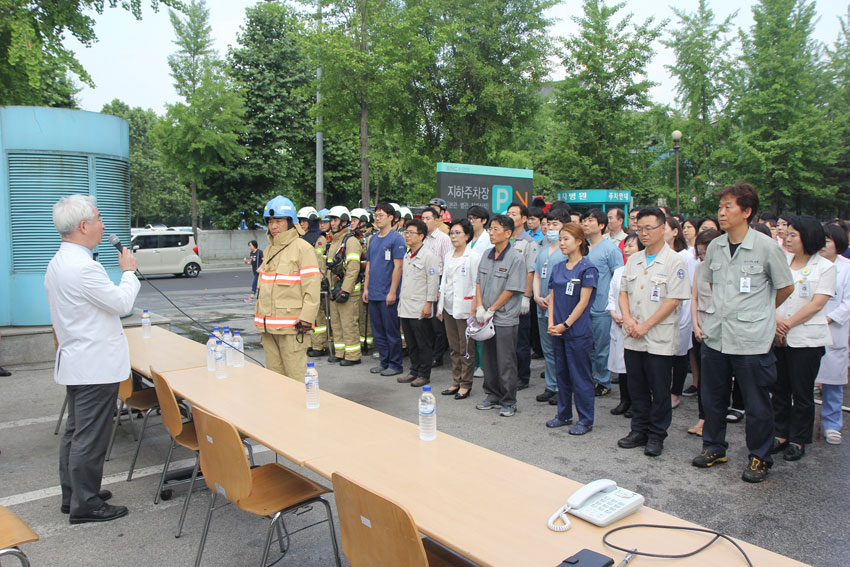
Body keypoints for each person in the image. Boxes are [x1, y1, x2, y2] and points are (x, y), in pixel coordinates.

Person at [44, 194, 139, 524]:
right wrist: (128, 271)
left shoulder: (60, 260)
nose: (103, 225)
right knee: (90, 436)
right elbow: (122, 303)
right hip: (94, 365)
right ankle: (86, 504)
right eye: (98, 219)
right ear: (84, 226)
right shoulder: (83, 267)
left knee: (76, 432)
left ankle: (75, 494)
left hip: (78, 360)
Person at [692, 182, 794, 483]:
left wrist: (762, 311)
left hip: (751, 339)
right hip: (717, 335)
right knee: (712, 398)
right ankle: (714, 447)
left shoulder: (766, 248)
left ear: (747, 211)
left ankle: (759, 457)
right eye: (720, 207)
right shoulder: (715, 247)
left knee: (757, 403)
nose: (721, 213)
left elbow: (785, 286)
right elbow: (710, 283)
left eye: (728, 207)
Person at [617, 207, 691, 457]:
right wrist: (627, 319)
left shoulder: (674, 261)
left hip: (658, 336)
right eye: (640, 229)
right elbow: (623, 291)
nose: (644, 233)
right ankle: (638, 429)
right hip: (632, 334)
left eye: (650, 228)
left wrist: (645, 325)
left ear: (663, 229)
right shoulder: (635, 259)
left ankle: (657, 435)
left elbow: (674, 300)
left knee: (660, 389)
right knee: (636, 386)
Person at [772, 215, 835, 461]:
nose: (786, 239)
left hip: (806, 339)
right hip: (778, 335)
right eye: (786, 235)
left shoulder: (825, 267)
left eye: (793, 235)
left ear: (807, 238)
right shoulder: (782, 261)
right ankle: (780, 433)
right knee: (779, 388)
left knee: (802, 392)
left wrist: (787, 323)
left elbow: (818, 303)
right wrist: (777, 321)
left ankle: (798, 438)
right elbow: (770, 292)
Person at [255, 196, 321, 379]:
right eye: (270, 222)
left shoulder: (303, 248)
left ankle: (301, 409)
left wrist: (306, 320)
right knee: (275, 380)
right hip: (269, 329)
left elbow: (312, 288)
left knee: (296, 379)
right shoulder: (268, 251)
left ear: (290, 222)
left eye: (278, 221)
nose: (274, 226)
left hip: (293, 329)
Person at [546, 223, 598, 435]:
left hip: (577, 332)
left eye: (566, 239)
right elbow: (553, 296)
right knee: (562, 374)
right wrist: (551, 322)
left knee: (580, 376)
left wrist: (565, 324)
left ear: (579, 241)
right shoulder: (558, 267)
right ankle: (563, 414)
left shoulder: (588, 268)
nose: (562, 243)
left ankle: (585, 419)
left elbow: (583, 302)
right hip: (557, 330)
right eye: (560, 239)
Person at [473, 214, 527, 417]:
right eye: (490, 229)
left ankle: (508, 400)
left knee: (505, 360)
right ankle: (492, 395)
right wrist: (479, 307)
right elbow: (478, 281)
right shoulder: (487, 253)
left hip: (504, 317)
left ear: (508, 233)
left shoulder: (516, 258)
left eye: (496, 229)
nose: (491, 233)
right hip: (485, 317)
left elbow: (511, 289)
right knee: (489, 359)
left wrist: (492, 309)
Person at [581, 208, 624, 397]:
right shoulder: (582, 248)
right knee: (586, 347)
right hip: (583, 306)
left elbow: (619, 278)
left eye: (590, 220)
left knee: (601, 348)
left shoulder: (610, 249)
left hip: (601, 307)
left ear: (601, 225)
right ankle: (588, 378)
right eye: (584, 220)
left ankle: (603, 381)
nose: (585, 223)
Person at [437, 219, 481, 399]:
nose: (454, 236)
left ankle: (466, 384)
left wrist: (473, 308)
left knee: (466, 348)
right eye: (452, 233)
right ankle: (456, 381)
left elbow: (476, 284)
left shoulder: (474, 257)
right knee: (454, 347)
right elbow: (444, 283)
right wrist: (440, 307)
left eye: (458, 233)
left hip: (465, 308)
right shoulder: (448, 255)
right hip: (449, 307)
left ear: (467, 235)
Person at [364, 203, 407, 377]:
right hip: (374, 292)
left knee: (391, 331)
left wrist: (392, 291)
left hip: (388, 294)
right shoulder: (373, 239)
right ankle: (384, 361)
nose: (377, 218)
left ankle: (395, 364)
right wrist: (366, 288)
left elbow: (398, 267)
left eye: (381, 215)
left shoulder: (396, 239)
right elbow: (369, 265)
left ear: (391, 217)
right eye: (376, 215)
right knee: (378, 331)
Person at [816, 224, 850, 445]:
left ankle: (832, 423)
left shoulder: (846, 268)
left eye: (827, 240)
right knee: (803, 381)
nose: (822, 245)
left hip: (833, 328)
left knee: (833, 383)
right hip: (809, 328)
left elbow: (848, 302)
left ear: (837, 243)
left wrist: (828, 319)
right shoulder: (812, 264)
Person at [532, 210, 569, 404]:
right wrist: (537, 296)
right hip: (542, 306)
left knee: (559, 349)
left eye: (555, 224)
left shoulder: (566, 251)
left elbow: (563, 280)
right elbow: (537, 274)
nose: (550, 228)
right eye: (549, 224)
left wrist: (549, 297)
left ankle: (562, 387)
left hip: (558, 307)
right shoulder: (543, 249)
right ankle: (551, 385)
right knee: (548, 350)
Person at [397, 219, 440, 387]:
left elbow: (432, 282)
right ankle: (413, 370)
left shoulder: (429, 256)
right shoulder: (407, 254)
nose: (407, 236)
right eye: (406, 232)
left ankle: (424, 374)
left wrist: (429, 304)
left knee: (423, 343)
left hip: (420, 306)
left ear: (421, 236)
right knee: (411, 342)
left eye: (411, 233)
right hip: (406, 306)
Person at [688, 228, 722, 436]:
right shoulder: (700, 268)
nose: (703, 257)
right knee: (702, 377)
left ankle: (715, 419)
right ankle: (702, 417)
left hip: (719, 327)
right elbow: (694, 298)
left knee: (717, 379)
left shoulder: (726, 269)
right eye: (700, 253)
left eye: (706, 253)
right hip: (701, 324)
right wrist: (695, 325)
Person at [607, 233, 643, 417]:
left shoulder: (644, 270)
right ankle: (624, 400)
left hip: (636, 325)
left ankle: (637, 403)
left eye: (631, 246)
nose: (626, 249)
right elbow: (612, 296)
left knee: (635, 368)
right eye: (625, 246)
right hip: (619, 324)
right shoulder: (619, 271)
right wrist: (614, 314)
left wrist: (629, 318)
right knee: (622, 367)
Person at [506, 202, 540, 390]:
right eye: (508, 213)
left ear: (524, 219)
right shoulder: (505, 239)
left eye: (514, 214)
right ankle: (509, 373)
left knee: (520, 340)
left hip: (520, 298)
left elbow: (530, 271)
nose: (510, 216)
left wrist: (527, 296)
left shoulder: (529, 243)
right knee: (507, 340)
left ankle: (522, 376)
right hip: (504, 298)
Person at [663, 217, 695, 410]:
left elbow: (691, 288)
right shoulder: (658, 255)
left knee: (680, 354)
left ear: (675, 232)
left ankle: (675, 392)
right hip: (660, 311)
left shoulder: (687, 257)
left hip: (682, 310)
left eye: (664, 228)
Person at [326, 206, 363, 366]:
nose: (332, 224)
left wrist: (345, 290)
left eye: (335, 220)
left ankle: (353, 355)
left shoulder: (351, 241)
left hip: (347, 291)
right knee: (336, 324)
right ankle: (340, 353)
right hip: (334, 289)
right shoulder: (335, 241)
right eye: (331, 220)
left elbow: (353, 268)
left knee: (348, 324)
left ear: (344, 221)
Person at [421, 207, 452, 367]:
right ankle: (428, 352)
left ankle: (437, 355)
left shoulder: (443, 239)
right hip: (423, 281)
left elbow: (447, 264)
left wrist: (442, 288)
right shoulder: (422, 239)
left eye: (428, 218)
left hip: (439, 279)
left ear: (436, 220)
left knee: (437, 322)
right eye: (423, 218)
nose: (425, 221)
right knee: (425, 320)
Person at [308, 212, 332, 358]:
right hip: (317, 281)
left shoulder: (322, 239)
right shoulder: (316, 238)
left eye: (325, 222)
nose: (322, 225)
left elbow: (320, 262)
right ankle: (318, 343)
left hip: (323, 281)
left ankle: (321, 345)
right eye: (321, 223)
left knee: (321, 315)